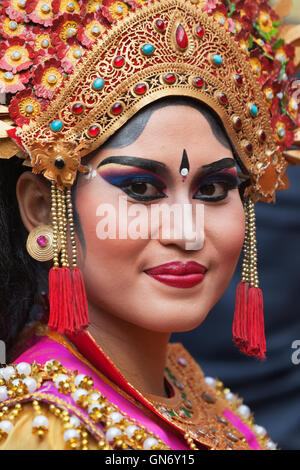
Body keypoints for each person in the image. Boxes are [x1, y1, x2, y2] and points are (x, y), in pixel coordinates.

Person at [0, 0, 299, 451]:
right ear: (42, 208)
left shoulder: (186, 381)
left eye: (214, 189)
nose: (187, 231)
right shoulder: (43, 425)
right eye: (141, 189)